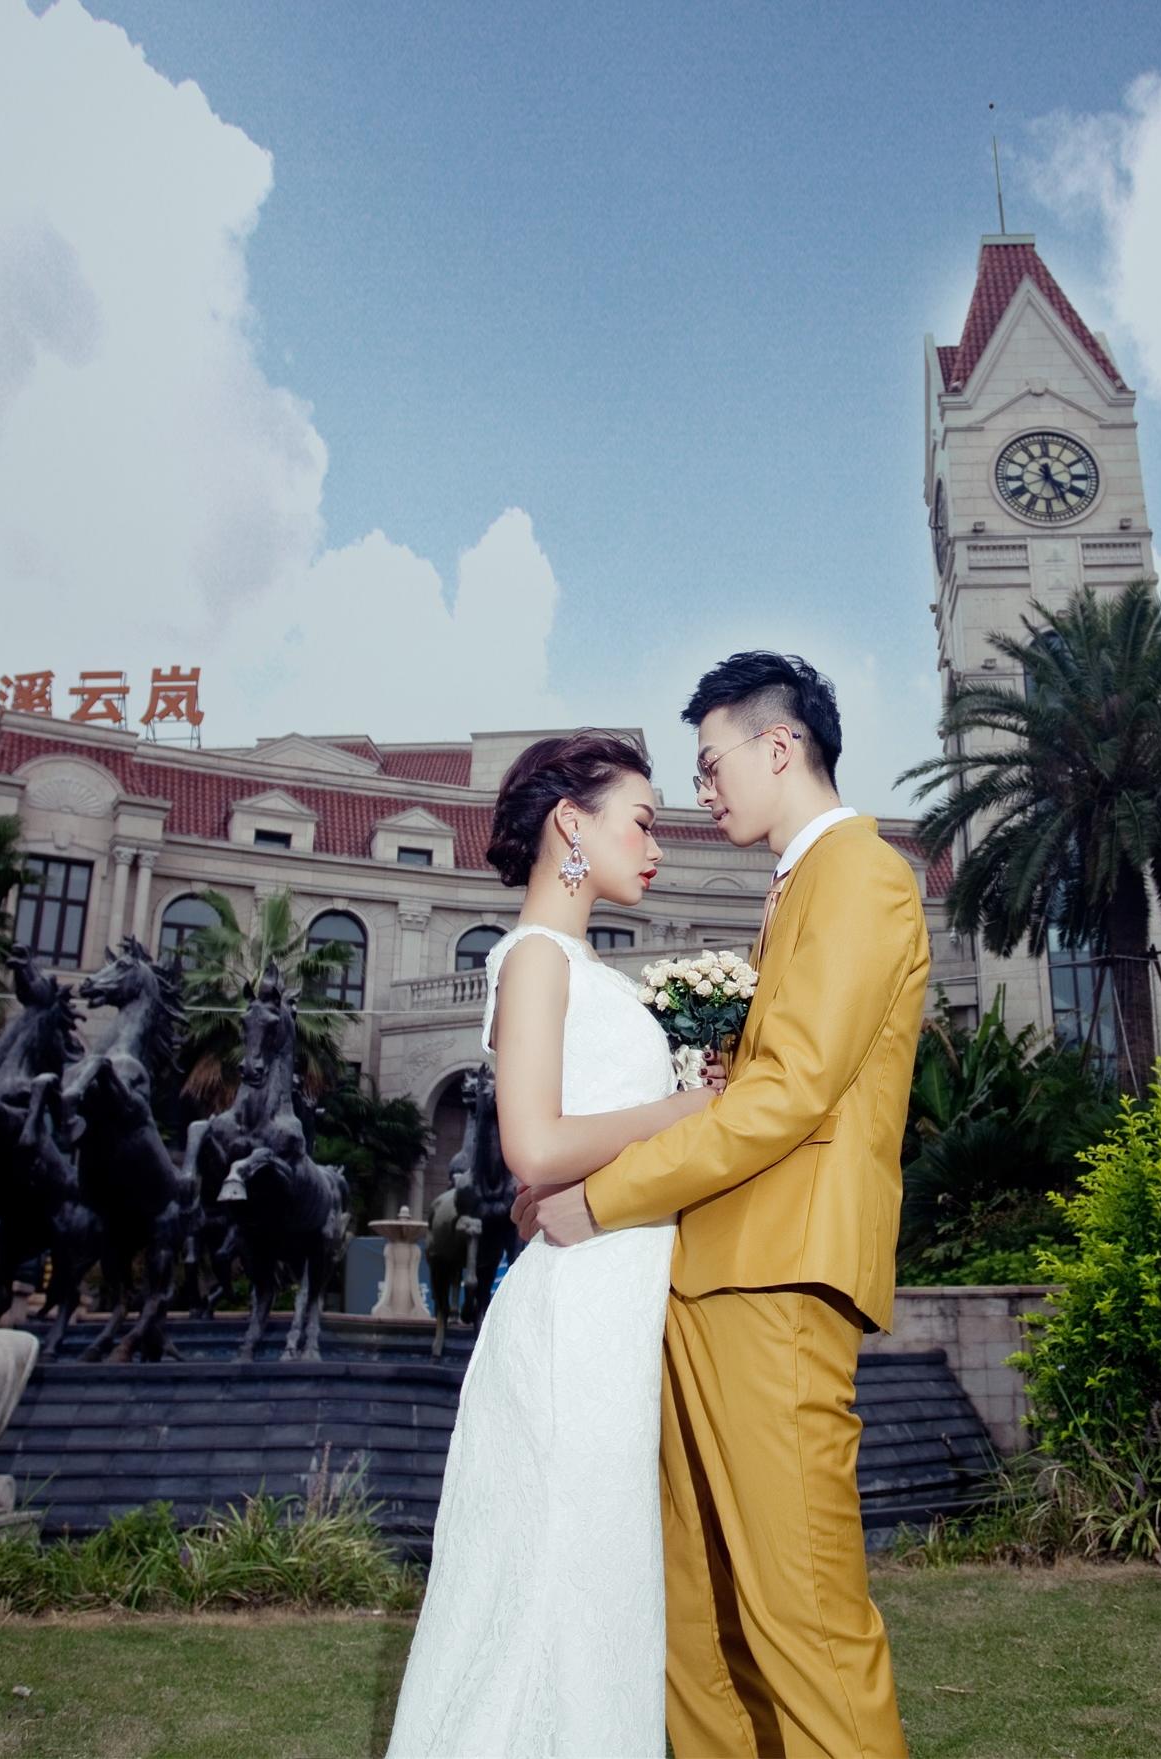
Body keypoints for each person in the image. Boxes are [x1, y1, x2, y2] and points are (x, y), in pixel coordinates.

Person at [527, 652, 926, 1759]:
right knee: (698, 1622)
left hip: (780, 1282)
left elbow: (789, 1095)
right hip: (710, 1278)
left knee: (803, 1621)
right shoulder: (798, 886)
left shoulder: (860, 874)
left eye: (710, 764)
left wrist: (602, 1198)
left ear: (779, 745)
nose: (701, 791)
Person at [385, 730, 720, 1758]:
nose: (657, 846)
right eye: (643, 822)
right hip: (578, 1314)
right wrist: (690, 1107)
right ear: (572, 822)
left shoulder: (581, 965)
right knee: (558, 1580)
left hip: (615, 1295)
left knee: (596, 1585)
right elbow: (531, 1146)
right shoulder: (532, 956)